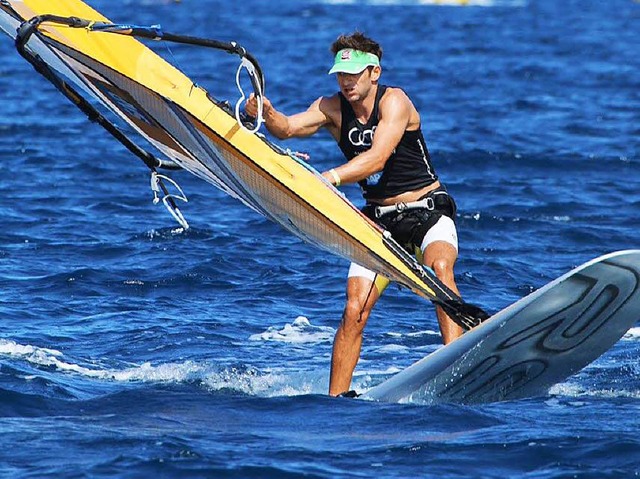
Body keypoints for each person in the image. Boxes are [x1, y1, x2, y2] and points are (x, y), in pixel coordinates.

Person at [245, 32, 463, 397]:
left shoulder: (395, 102)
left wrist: (328, 178)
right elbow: (287, 129)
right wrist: (266, 114)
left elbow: (377, 158)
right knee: (353, 310)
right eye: (341, 74)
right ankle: (336, 400)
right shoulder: (331, 107)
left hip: (428, 211)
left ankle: (458, 365)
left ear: (374, 72)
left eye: (354, 74)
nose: (345, 82)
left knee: (439, 272)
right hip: (378, 223)